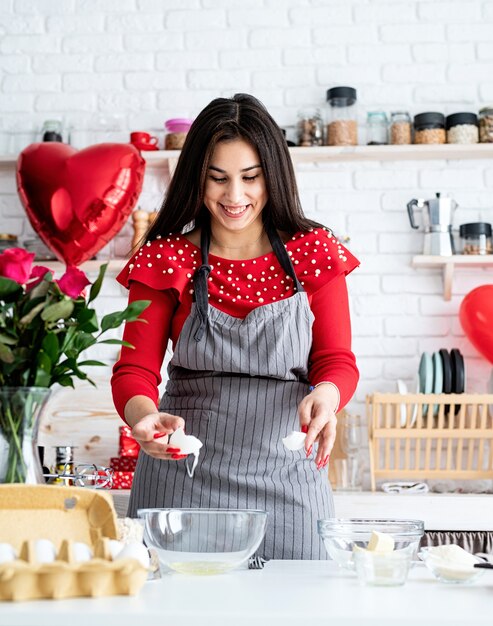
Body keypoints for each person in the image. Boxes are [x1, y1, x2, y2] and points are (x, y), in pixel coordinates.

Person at [111, 93, 359, 560]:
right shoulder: (166, 257)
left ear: (274, 176)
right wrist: (143, 418)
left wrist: (326, 398)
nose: (235, 196)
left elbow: (335, 361)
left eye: (251, 178)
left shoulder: (314, 250)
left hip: (289, 477)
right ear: (195, 179)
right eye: (217, 178)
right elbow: (134, 371)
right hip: (181, 480)